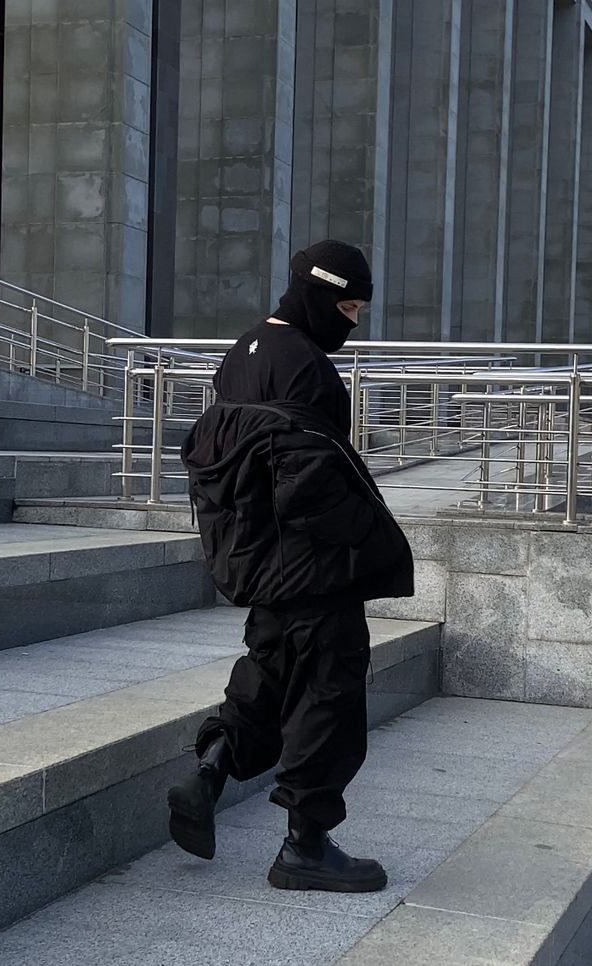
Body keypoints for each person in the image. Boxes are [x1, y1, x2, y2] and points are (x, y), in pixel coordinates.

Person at [169, 240, 414, 894]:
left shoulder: (243, 351)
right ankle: (305, 847)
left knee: (271, 671)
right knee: (329, 692)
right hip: (313, 568)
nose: (352, 323)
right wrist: (369, 538)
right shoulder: (306, 367)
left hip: (262, 561)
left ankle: (210, 770)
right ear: (317, 293)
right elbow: (308, 481)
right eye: (347, 308)